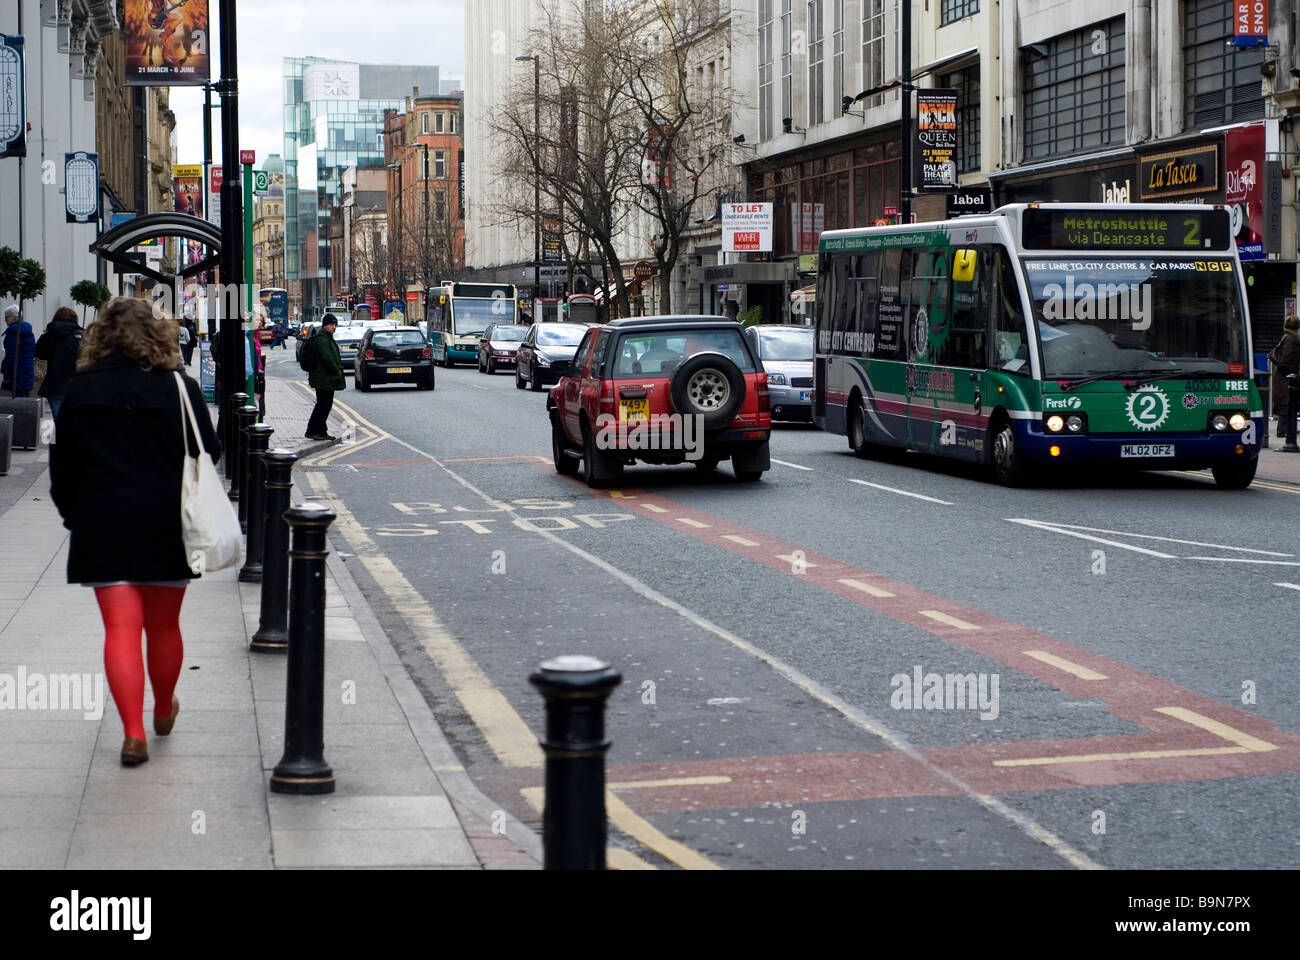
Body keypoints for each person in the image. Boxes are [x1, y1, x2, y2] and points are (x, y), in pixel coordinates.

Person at [49, 297, 220, 767]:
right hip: (168, 523)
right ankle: (164, 708)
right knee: (164, 625)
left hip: (103, 523)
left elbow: (61, 468)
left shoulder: (81, 391)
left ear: (101, 334)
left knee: (120, 628)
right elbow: (212, 451)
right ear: (157, 334)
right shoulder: (180, 387)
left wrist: (74, 516)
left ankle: (132, 733)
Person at [34, 306, 83, 420]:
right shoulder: (81, 335)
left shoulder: (49, 335)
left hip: (55, 384)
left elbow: (39, 353)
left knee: (59, 418)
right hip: (77, 383)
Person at [305, 313, 345, 440]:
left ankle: (321, 431)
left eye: (335, 325)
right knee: (323, 405)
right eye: (331, 324)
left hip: (326, 378)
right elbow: (327, 358)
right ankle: (313, 431)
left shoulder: (327, 337)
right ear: (325, 325)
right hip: (323, 378)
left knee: (325, 405)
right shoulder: (322, 339)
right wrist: (336, 371)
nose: (334, 327)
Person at [1269, 314, 1300, 437]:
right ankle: (1282, 431)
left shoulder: (1289, 336)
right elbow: (1286, 358)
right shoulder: (1290, 338)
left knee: (1287, 401)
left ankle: (1287, 429)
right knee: (1286, 402)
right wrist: (1292, 371)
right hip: (1285, 375)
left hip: (1285, 374)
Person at [2, 304, 36, 398]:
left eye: (7, 316)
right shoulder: (28, 332)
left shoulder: (13, 333)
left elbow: (11, 356)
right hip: (27, 370)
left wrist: (6, 374)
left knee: (19, 403)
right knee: (25, 400)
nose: (5, 319)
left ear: (14, 317)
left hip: (17, 372)